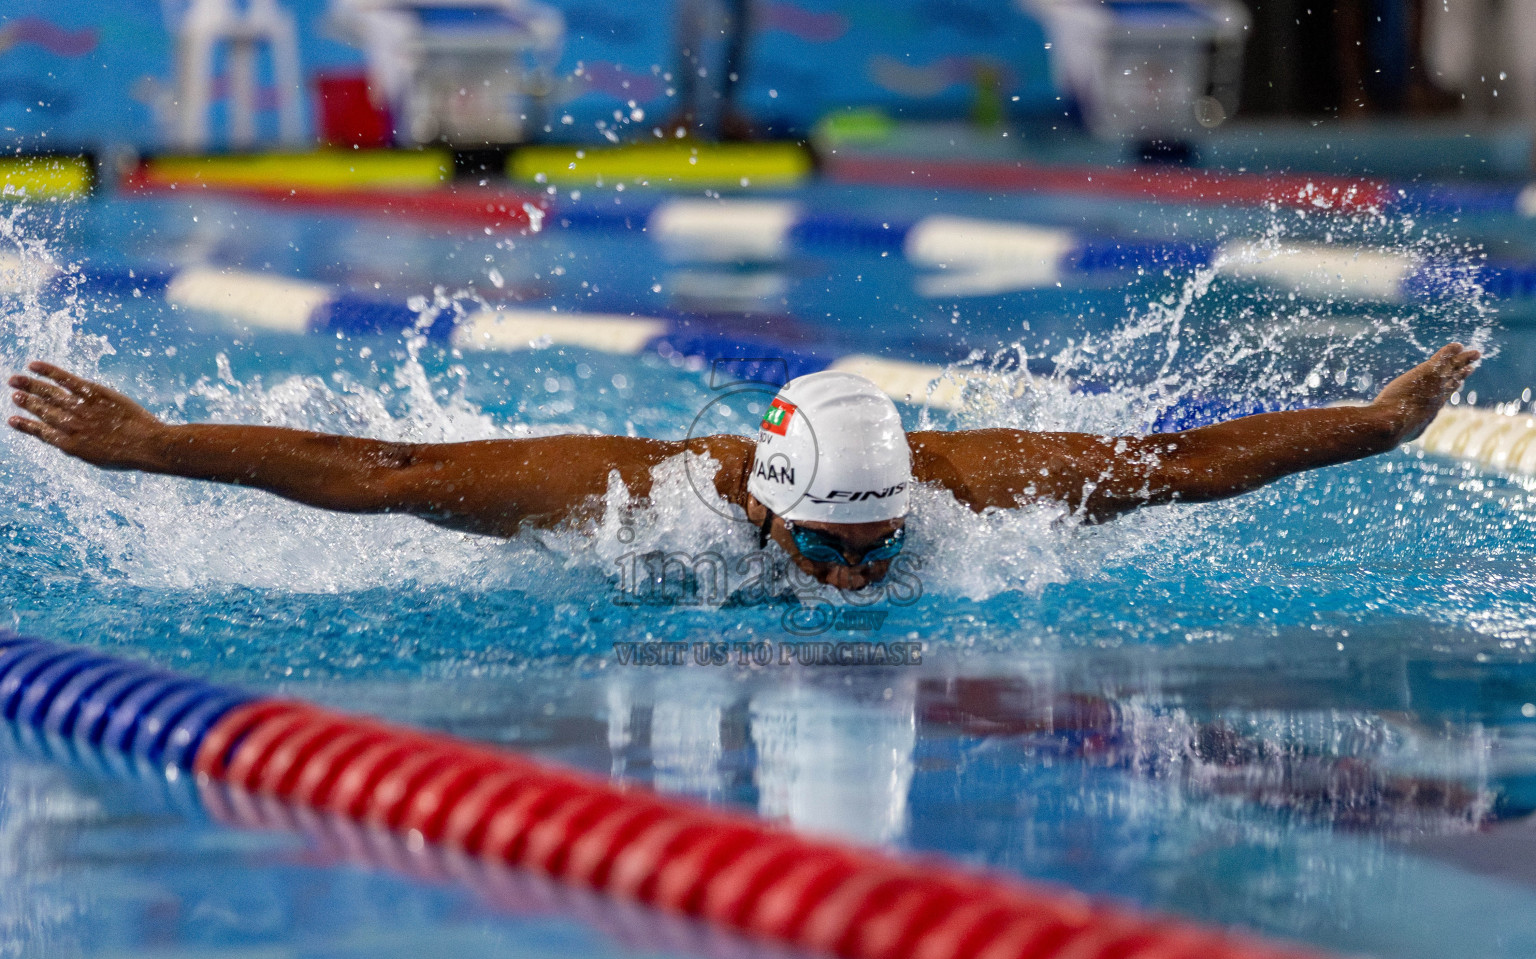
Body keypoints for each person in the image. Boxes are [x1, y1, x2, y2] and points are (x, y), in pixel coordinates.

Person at [7, 343, 1480, 591]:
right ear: (766, 504)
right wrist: (155, 450)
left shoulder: (962, 489)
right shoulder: (639, 494)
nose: (860, 573)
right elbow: (390, 471)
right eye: (833, 548)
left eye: (877, 545)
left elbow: (1181, 465)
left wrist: (1378, 425)